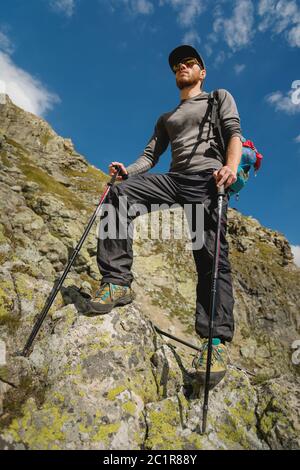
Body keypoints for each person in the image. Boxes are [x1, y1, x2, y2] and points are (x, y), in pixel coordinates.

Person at [88, 45, 242, 385]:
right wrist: (127, 171)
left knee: (209, 256)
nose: (181, 67)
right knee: (119, 194)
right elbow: (149, 156)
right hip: (173, 180)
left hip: (207, 180)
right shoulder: (166, 118)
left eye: (189, 63)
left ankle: (214, 342)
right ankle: (116, 283)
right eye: (176, 66)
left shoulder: (218, 98)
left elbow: (234, 134)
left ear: (202, 72)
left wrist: (230, 167)